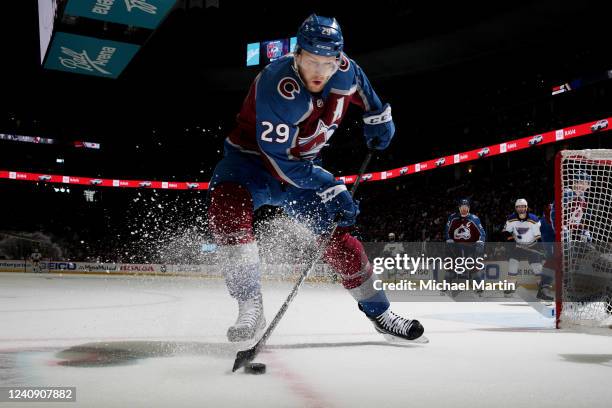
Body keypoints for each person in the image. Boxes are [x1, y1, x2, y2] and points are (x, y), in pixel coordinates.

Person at [207, 14, 424, 343]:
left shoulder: (347, 70)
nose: (320, 71)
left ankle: (380, 313)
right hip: (252, 165)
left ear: (338, 58)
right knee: (227, 209)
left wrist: (378, 117)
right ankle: (250, 305)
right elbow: (278, 160)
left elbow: (366, 94)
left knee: (336, 237)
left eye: (328, 62)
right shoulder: (276, 86)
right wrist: (328, 184)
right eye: (311, 61)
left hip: (304, 169)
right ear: (297, 56)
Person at [503, 199, 543, 296]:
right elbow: (506, 231)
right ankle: (512, 284)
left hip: (532, 246)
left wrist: (540, 247)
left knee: (537, 268)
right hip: (518, 246)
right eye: (518, 206)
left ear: (526, 207)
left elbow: (539, 236)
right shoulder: (511, 218)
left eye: (523, 206)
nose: (521, 208)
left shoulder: (534, 219)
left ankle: (542, 288)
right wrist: (510, 237)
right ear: (516, 208)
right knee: (513, 263)